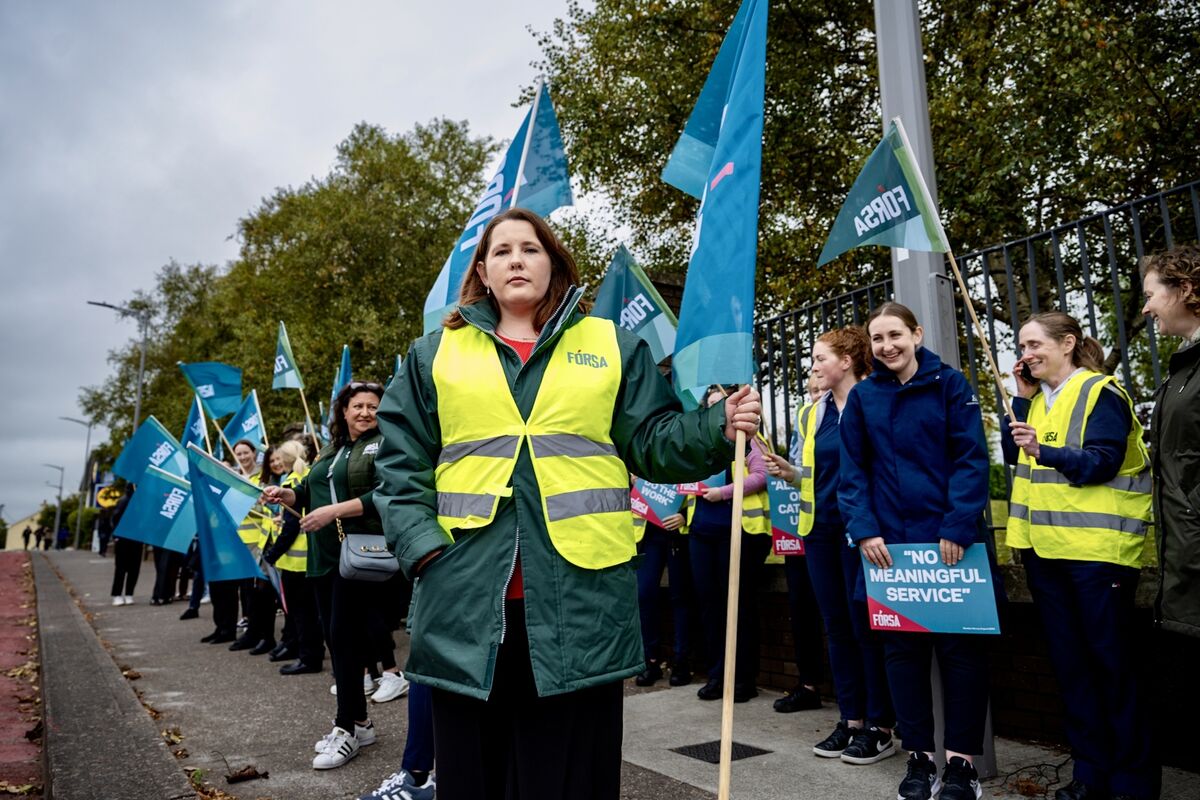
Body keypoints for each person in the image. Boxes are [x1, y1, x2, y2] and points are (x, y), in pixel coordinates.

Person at [372, 207, 761, 800]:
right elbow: (400, 466)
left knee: (572, 772)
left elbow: (654, 443)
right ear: (484, 270)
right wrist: (425, 552)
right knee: (476, 773)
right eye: (501, 252)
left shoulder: (611, 345)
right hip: (466, 597)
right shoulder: (433, 355)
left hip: (581, 600)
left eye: (530, 248)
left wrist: (716, 424)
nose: (516, 260)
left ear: (553, 263)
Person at [839, 302, 992, 800]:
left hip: (951, 546)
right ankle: (920, 759)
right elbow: (853, 472)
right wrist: (864, 530)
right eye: (877, 339)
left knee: (961, 654)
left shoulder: (951, 385)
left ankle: (962, 766)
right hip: (890, 551)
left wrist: (957, 525)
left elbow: (971, 459)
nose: (886, 347)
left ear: (917, 333)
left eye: (895, 335)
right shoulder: (863, 397)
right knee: (902, 655)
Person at [1002, 311, 1156, 800]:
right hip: (1046, 554)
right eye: (1022, 347)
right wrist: (1022, 402)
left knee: (1112, 669)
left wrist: (1048, 454)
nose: (1024, 355)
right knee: (1072, 670)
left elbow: (1103, 462)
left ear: (1067, 343)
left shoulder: (1100, 392)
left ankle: (1131, 783)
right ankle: (1090, 775)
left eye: (1033, 345)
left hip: (1099, 556)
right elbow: (1014, 454)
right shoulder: (1039, 400)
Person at [766, 327, 895, 762]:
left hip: (862, 533)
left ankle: (880, 726)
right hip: (818, 530)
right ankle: (851, 719)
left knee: (866, 628)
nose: (814, 366)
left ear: (847, 360)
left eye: (821, 358)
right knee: (837, 628)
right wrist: (791, 472)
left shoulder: (876, 402)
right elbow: (820, 472)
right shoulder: (813, 412)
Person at [264, 381, 393, 770]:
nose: (365, 412)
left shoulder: (387, 445)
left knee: (345, 641)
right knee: (338, 642)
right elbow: (307, 491)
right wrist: (286, 496)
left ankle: (347, 730)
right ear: (344, 411)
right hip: (322, 559)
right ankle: (361, 724)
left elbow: (388, 492)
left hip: (359, 557)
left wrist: (334, 513)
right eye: (358, 406)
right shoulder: (332, 449)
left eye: (373, 406)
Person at [682, 386, 772, 704]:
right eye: (709, 407)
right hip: (702, 532)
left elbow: (761, 475)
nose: (716, 412)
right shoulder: (699, 445)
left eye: (721, 405)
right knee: (710, 608)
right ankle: (718, 675)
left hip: (737, 532)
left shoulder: (747, 439)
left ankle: (743, 679)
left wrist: (725, 493)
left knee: (738, 606)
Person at [1141, 244, 1200, 639]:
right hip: (1186, 563)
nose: (1146, 309)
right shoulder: (1181, 370)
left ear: (1183, 289)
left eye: (1150, 296)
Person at [262, 440, 324, 674]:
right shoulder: (307, 475)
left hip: (294, 561)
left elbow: (290, 529)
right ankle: (308, 654)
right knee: (310, 613)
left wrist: (272, 554)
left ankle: (308, 658)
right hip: (310, 557)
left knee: (302, 614)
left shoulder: (290, 482)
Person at [632, 488, 695, 688]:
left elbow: (701, 484)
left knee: (680, 597)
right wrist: (632, 479)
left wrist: (685, 516)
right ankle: (651, 661)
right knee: (644, 595)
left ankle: (681, 662)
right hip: (648, 532)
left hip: (677, 532)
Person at [109, 486, 140, 606]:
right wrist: (116, 535)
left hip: (137, 539)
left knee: (134, 568)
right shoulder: (125, 500)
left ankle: (129, 593)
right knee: (121, 568)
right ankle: (117, 595)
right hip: (123, 539)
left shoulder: (142, 501)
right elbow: (115, 518)